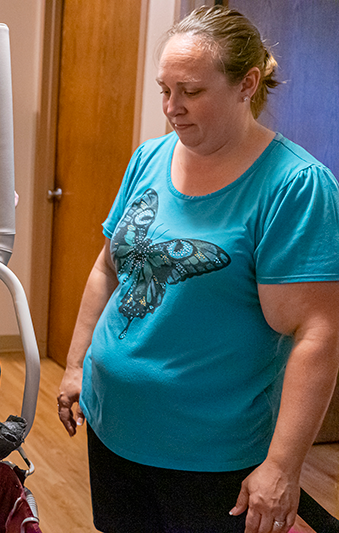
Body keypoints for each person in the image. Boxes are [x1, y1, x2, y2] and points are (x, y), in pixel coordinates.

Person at [56, 6, 339, 533]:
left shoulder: (295, 186)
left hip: (210, 452)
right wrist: (76, 366)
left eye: (190, 91)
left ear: (246, 84)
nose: (172, 108)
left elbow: (318, 332)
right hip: (112, 424)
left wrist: (282, 466)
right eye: (165, 90)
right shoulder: (149, 158)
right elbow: (107, 269)